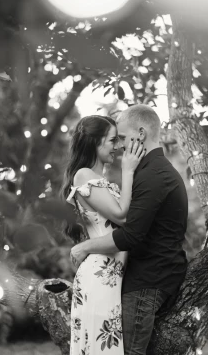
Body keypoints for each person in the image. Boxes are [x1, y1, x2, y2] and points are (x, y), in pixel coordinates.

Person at [71, 105, 189, 355]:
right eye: (114, 140)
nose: (120, 146)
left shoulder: (153, 174)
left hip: (147, 278)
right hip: (123, 276)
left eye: (121, 138)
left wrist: (84, 246)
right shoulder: (146, 172)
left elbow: (131, 234)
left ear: (142, 134)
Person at [61, 115, 145, 355]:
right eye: (112, 140)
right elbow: (123, 217)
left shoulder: (99, 180)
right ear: (95, 142)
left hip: (112, 276)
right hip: (99, 277)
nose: (118, 146)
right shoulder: (83, 175)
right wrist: (128, 171)